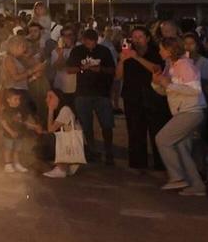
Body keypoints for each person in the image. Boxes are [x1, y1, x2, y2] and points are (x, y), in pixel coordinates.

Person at [152, 36, 207, 197]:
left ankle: (177, 177)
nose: (159, 51)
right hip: (184, 111)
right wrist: (157, 82)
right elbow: (166, 91)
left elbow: (194, 90)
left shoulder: (184, 65)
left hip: (190, 111)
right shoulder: (171, 65)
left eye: (162, 49)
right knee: (181, 148)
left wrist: (168, 84)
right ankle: (197, 185)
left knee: (162, 139)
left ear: (169, 50)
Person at [118, 28, 164, 172]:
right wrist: (122, 60)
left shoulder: (155, 53)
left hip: (152, 96)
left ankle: (160, 163)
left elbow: (156, 69)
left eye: (140, 36)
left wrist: (137, 57)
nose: (137, 39)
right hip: (132, 96)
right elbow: (118, 76)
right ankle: (138, 163)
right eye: (134, 37)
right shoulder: (127, 53)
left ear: (147, 38)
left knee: (157, 131)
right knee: (135, 131)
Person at [67, 29, 115, 164]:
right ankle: (93, 151)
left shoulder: (104, 51)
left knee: (107, 124)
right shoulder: (77, 51)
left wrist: (100, 69)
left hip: (102, 93)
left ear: (96, 41)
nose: (90, 46)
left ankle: (109, 151)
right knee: (86, 125)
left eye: (93, 43)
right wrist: (83, 68)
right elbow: (69, 69)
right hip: (83, 93)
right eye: (88, 43)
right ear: (83, 40)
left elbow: (112, 69)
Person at [35, 86, 84, 179]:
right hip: (70, 152)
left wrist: (50, 110)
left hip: (71, 151)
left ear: (59, 97)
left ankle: (61, 169)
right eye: (47, 97)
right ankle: (59, 166)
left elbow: (51, 130)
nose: (47, 100)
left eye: (51, 97)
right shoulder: (62, 109)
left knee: (49, 137)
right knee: (44, 137)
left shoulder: (65, 110)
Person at [0, 87, 32, 174]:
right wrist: (11, 132)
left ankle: (16, 163)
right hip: (9, 135)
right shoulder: (6, 110)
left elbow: (23, 121)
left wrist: (33, 126)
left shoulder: (20, 110)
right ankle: (7, 164)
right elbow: (3, 122)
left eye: (19, 99)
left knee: (17, 149)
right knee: (8, 149)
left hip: (19, 134)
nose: (18, 101)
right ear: (8, 100)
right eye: (15, 99)